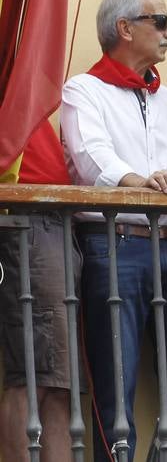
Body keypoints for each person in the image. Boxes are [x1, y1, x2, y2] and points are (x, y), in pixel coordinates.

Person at [60, 0, 167, 462]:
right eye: (160, 22)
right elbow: (90, 161)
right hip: (116, 242)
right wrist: (146, 182)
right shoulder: (84, 89)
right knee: (114, 386)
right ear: (125, 28)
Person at [0, 122, 77, 462]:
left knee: (60, 382)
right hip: (28, 220)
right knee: (34, 377)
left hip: (55, 221)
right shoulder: (13, 81)